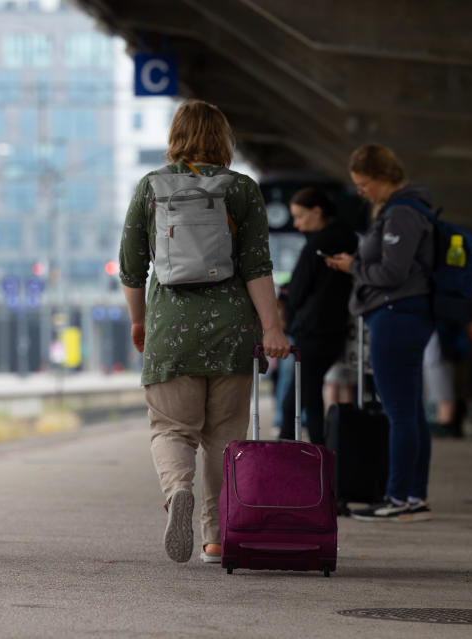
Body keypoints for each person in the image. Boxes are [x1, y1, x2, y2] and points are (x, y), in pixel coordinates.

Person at [119, 99, 290, 564]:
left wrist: (140, 321)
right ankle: (216, 537)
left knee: (172, 429)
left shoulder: (151, 187)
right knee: (225, 436)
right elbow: (257, 267)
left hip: (172, 329)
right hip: (232, 331)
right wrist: (272, 327)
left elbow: (133, 269)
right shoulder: (242, 190)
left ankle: (178, 494)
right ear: (223, 139)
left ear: (175, 136)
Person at [325, 143, 435, 523]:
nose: (361, 191)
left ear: (382, 177)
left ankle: (399, 496)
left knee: (399, 411)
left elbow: (392, 273)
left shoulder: (402, 213)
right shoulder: (402, 209)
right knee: (410, 410)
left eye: (363, 183)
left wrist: (355, 267)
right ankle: (413, 496)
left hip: (395, 314)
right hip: (402, 314)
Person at [279, 187, 358, 445]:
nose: (296, 223)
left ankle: (286, 456)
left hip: (312, 332)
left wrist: (287, 293)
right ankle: (320, 453)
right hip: (334, 330)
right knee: (311, 397)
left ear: (317, 211)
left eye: (300, 216)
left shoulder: (317, 244)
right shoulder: (349, 239)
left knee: (293, 402)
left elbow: (298, 291)